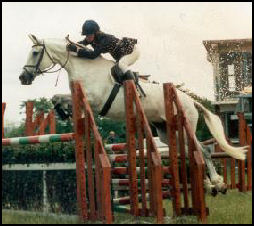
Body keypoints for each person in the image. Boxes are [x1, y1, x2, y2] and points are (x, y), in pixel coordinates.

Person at [66, 19, 140, 82]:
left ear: (95, 33)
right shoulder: (92, 38)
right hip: (123, 55)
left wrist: (77, 51)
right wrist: (72, 45)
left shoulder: (104, 40)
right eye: (86, 35)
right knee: (117, 70)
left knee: (121, 65)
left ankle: (134, 88)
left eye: (89, 35)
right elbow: (82, 44)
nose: (87, 37)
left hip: (132, 52)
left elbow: (93, 55)